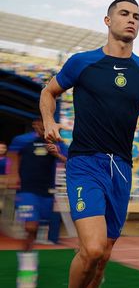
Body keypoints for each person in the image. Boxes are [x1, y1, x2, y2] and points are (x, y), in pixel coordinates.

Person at [39, 0, 139, 288]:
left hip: (121, 168)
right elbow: (49, 92)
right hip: (85, 163)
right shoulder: (83, 62)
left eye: (137, 15)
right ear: (108, 21)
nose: (132, 19)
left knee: (103, 256)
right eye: (124, 13)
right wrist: (49, 121)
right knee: (93, 248)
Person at [8, 117, 67, 288]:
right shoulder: (22, 140)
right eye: (39, 124)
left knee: (36, 230)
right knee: (30, 227)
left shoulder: (58, 142)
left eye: (46, 125)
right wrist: (13, 175)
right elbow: (12, 154)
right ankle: (27, 271)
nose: (42, 127)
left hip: (47, 193)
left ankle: (29, 256)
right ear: (35, 124)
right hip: (27, 191)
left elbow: (69, 161)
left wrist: (56, 153)